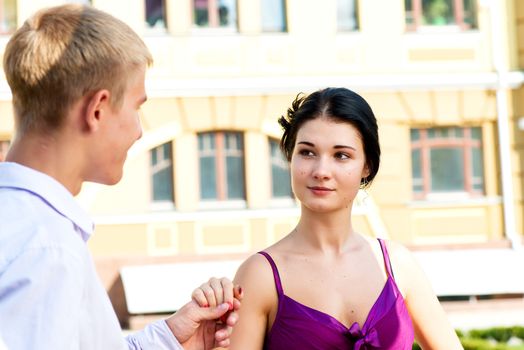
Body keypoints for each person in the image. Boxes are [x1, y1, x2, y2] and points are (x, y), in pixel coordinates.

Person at [0, 4, 241, 350]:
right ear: (96, 110)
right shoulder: (47, 250)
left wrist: (172, 338)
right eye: (136, 107)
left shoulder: (30, 228)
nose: (139, 131)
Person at [228, 87, 463, 349]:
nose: (321, 171)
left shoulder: (398, 266)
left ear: (367, 166)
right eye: (307, 152)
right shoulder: (260, 276)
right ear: (290, 156)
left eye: (341, 155)